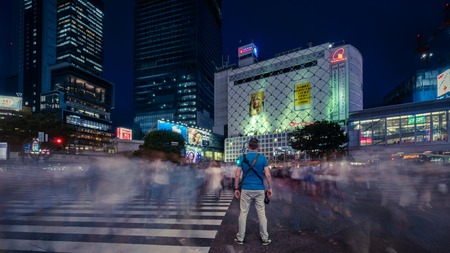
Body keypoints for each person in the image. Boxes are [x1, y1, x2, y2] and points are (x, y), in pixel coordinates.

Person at [234, 137, 273, 245]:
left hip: (246, 189)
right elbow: (268, 174)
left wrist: (236, 188)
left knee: (243, 213)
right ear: (258, 147)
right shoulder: (262, 158)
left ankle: (240, 238)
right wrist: (270, 188)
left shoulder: (242, 157)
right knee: (261, 213)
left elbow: (237, 175)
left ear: (248, 146)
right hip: (259, 189)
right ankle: (265, 237)